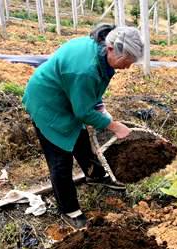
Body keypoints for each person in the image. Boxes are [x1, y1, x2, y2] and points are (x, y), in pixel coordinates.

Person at [22, 24, 144, 229]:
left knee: (80, 140)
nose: (128, 67)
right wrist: (114, 126)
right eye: (126, 61)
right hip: (47, 104)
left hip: (67, 97)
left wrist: (99, 106)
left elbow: (89, 94)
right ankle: (69, 209)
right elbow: (83, 113)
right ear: (112, 49)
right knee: (60, 159)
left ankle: (95, 176)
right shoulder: (85, 70)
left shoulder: (101, 52)